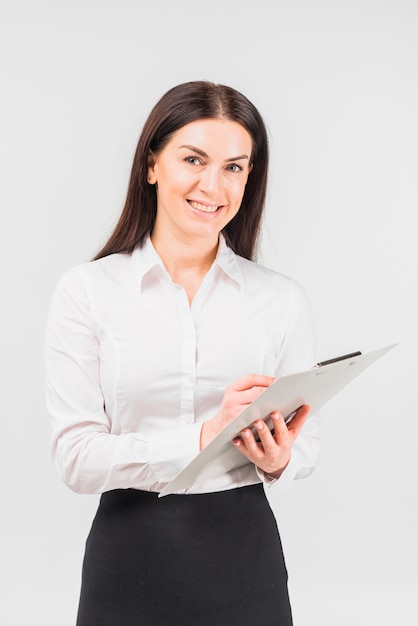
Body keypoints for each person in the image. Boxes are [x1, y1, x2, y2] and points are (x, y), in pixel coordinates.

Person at [45, 80, 320, 626]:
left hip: (245, 560)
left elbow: (309, 449)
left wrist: (280, 457)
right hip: (128, 557)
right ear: (152, 165)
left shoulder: (280, 299)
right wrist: (201, 438)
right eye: (194, 159)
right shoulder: (87, 292)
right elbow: (75, 458)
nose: (212, 186)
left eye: (234, 167)